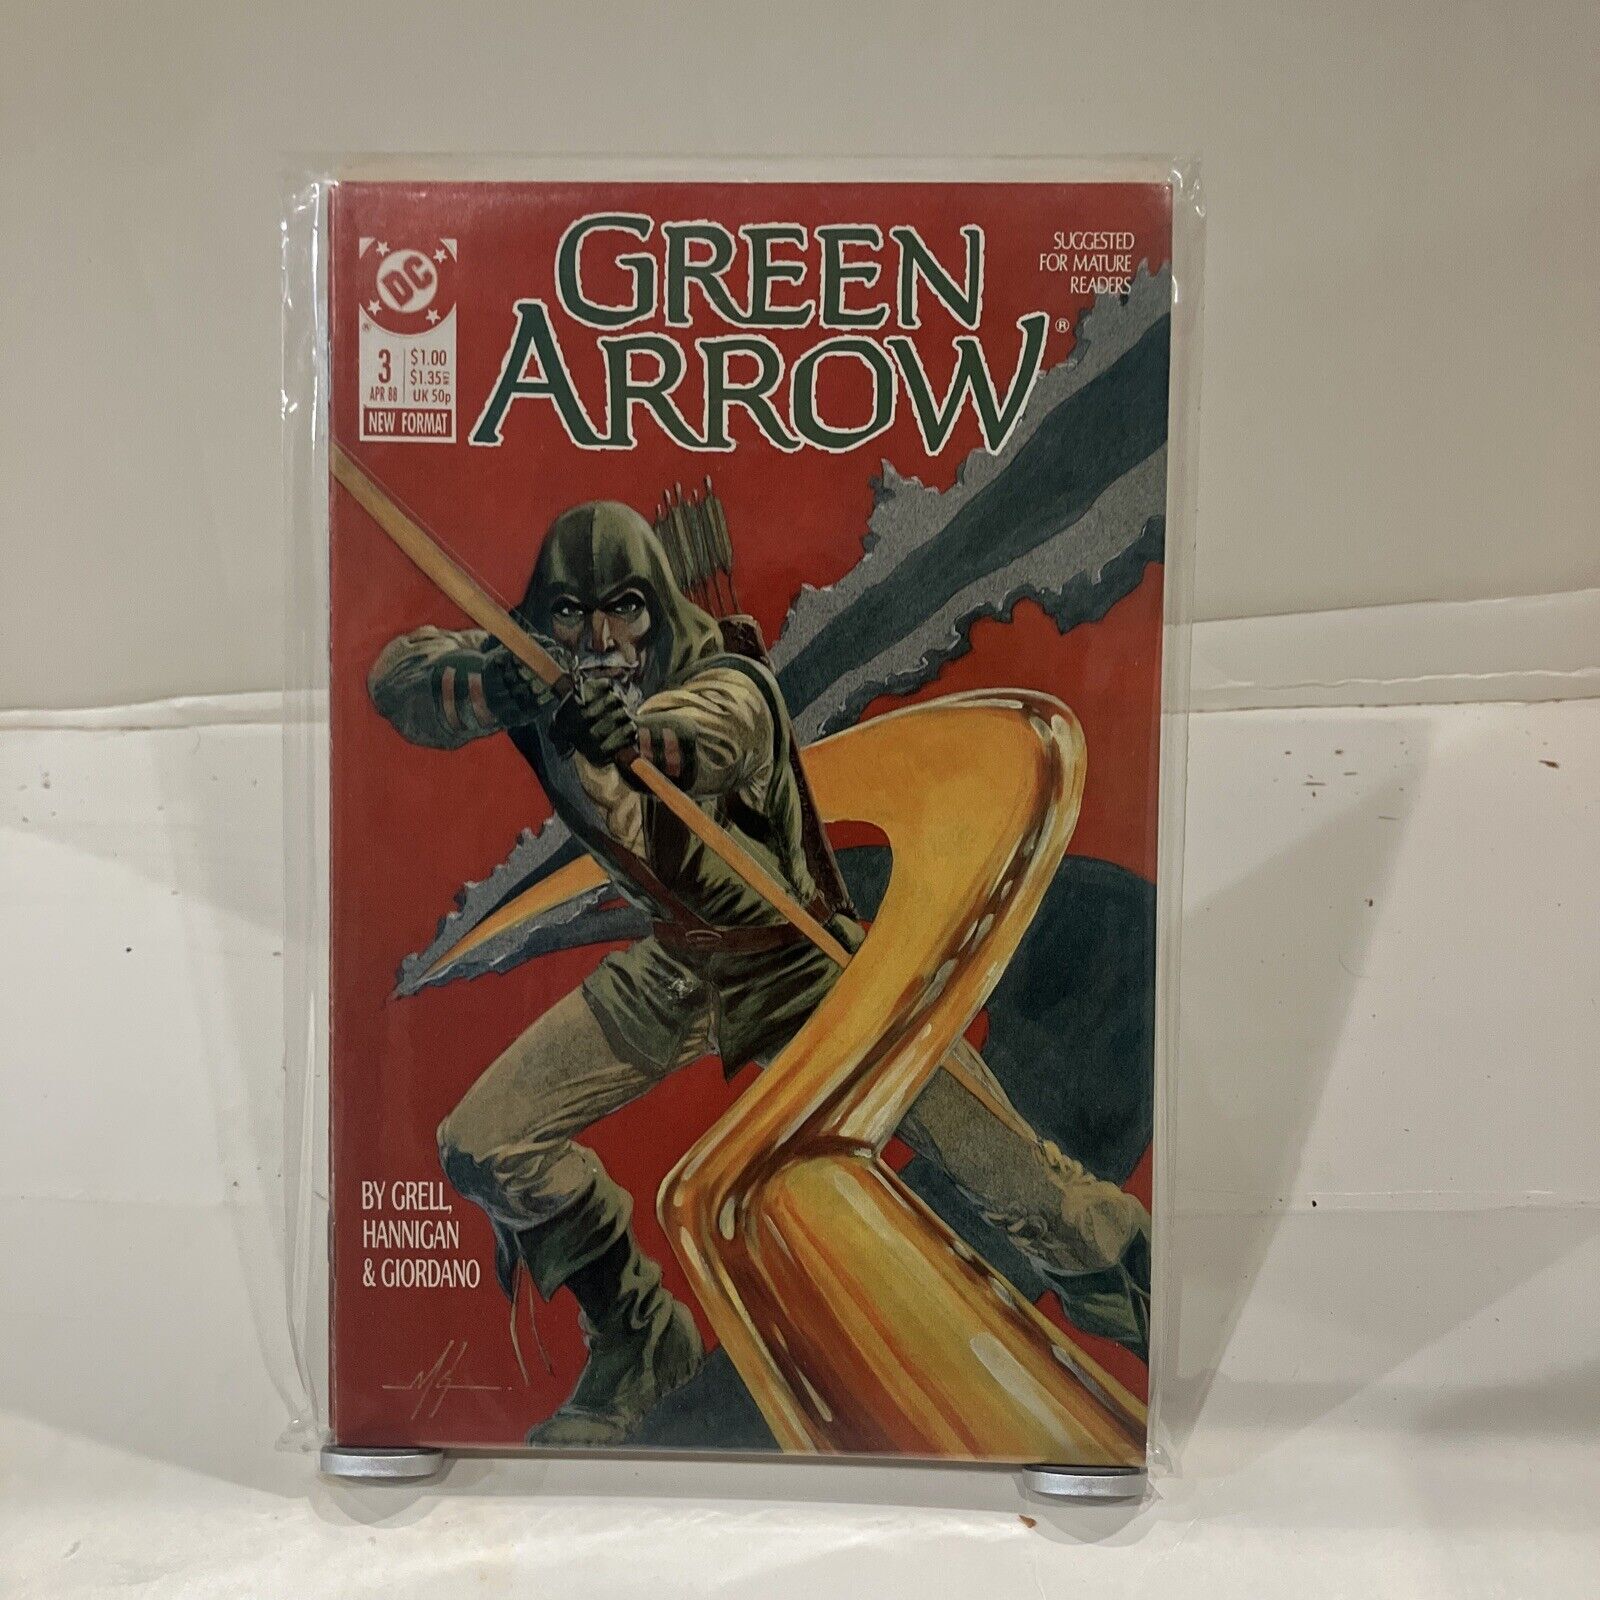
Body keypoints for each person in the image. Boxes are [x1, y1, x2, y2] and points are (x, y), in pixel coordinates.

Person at [370, 499, 1150, 1446]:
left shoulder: (724, 674)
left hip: (800, 966)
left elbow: (712, 733)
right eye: (572, 616)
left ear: (658, 608)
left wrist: (633, 736)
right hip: (675, 965)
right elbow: (399, 678)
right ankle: (639, 1340)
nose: (601, 640)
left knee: (1033, 1190)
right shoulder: (536, 670)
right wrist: (493, 683)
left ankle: (1152, 1327)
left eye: (624, 610)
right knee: (485, 1141)